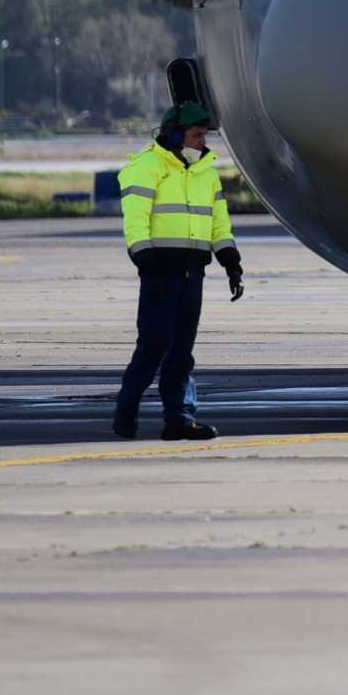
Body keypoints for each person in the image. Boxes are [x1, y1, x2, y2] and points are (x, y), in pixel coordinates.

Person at [113, 101, 243, 442]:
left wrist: (230, 260)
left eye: (203, 135)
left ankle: (179, 419)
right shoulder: (147, 166)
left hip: (192, 273)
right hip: (160, 271)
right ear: (174, 135)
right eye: (196, 135)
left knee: (182, 350)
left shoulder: (206, 171)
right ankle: (126, 410)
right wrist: (143, 255)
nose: (202, 141)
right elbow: (136, 217)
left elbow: (218, 223)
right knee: (154, 346)